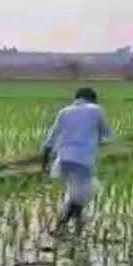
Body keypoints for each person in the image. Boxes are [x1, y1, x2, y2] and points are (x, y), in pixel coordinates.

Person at [43, 87, 112, 234]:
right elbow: (107, 135)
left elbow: (50, 138)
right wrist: (97, 141)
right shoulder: (96, 110)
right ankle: (61, 225)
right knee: (82, 194)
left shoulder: (64, 111)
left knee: (74, 191)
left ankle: (78, 224)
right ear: (92, 99)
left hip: (63, 159)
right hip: (83, 159)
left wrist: (45, 162)